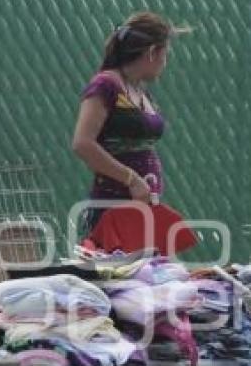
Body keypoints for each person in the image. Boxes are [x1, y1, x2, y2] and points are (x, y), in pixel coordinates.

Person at [72, 12, 187, 233]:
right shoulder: (105, 85)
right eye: (166, 54)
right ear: (153, 52)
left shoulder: (139, 91)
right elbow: (82, 143)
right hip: (113, 210)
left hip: (144, 209)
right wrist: (131, 179)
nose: (166, 62)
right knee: (116, 268)